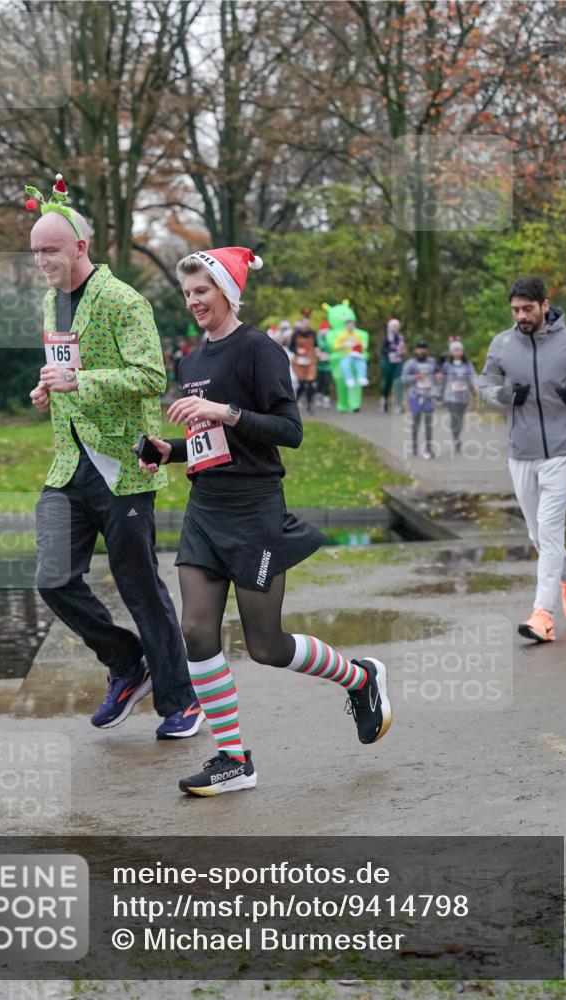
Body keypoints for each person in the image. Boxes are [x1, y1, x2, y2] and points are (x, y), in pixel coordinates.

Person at [138, 246, 392, 796]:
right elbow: (213, 444)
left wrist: (223, 412)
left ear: (227, 290)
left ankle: (360, 677)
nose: (193, 302)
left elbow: (288, 431)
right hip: (206, 510)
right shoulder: (191, 362)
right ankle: (232, 758)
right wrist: (171, 452)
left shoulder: (260, 351)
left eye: (202, 291)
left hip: (254, 511)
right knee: (195, 630)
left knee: (266, 646)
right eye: (187, 294)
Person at [26, 173, 200, 737]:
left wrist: (79, 381)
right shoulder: (51, 302)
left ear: (80, 247)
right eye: (35, 252)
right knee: (53, 578)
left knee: (140, 587)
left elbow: (150, 377)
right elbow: (64, 368)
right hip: (68, 465)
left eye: (50, 250)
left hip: (124, 467)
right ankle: (127, 664)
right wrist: (48, 387)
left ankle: (182, 703)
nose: (41, 261)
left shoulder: (124, 300)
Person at [479, 276, 566, 642]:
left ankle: (543, 615)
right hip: (521, 451)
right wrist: (507, 394)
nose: (521, 316)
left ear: (545, 305)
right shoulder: (503, 344)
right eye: (515, 310)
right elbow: (486, 388)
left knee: (550, 529)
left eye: (527, 309)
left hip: (562, 448)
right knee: (537, 533)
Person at [402, 340, 439, 459]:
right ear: (415, 350)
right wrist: (416, 377)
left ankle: (428, 449)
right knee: (416, 423)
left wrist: (439, 376)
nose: (422, 350)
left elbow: (438, 373)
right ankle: (414, 446)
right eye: (419, 348)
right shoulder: (410, 364)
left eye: (424, 348)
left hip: (428, 396)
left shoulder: (432, 361)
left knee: (428, 424)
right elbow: (403, 380)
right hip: (415, 397)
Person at [441, 340, 478, 453]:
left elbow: (472, 375)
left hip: (463, 395)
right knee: (454, 417)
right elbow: (441, 377)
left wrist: (476, 385)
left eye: (459, 350)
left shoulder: (467, 364)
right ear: (451, 352)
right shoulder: (447, 365)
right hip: (451, 396)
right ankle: (456, 438)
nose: (457, 352)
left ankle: (456, 436)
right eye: (455, 350)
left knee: (460, 418)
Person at [289, 318, 318, 413]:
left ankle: (310, 405)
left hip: (310, 361)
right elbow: (291, 347)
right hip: (299, 362)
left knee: (310, 384)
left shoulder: (312, 333)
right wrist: (297, 351)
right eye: (303, 323)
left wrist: (318, 354)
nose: (305, 325)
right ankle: (296, 402)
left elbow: (316, 346)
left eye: (307, 323)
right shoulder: (295, 334)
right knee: (301, 384)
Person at [380, 318, 406, 413]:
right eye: (394, 326)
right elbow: (382, 350)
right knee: (387, 382)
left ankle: (398, 404)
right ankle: (384, 399)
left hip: (398, 362)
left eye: (397, 326)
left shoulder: (401, 337)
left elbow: (403, 349)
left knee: (398, 382)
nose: (396, 328)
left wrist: (401, 352)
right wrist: (391, 352)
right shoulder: (386, 338)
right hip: (387, 362)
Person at [316, 322, 332, 408]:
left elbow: (333, 349)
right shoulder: (317, 338)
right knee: (319, 383)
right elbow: (315, 349)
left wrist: (330, 356)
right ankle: (318, 398)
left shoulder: (330, 338)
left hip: (329, 365)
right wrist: (320, 355)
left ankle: (326, 400)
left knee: (327, 382)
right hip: (318, 365)